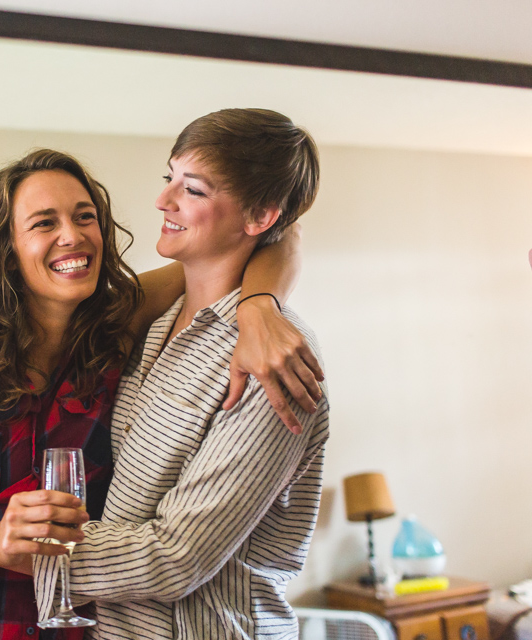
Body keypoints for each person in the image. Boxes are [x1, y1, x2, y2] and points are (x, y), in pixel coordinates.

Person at [0, 147, 322, 639]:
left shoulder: (115, 334)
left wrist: (259, 305)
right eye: (44, 223)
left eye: (85, 217)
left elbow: (265, 238)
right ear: (8, 248)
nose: (72, 235)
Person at [25, 109, 331, 639]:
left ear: (257, 217)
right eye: (169, 178)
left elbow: (177, 557)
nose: (164, 201)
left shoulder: (270, 362)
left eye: (192, 189)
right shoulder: (149, 325)